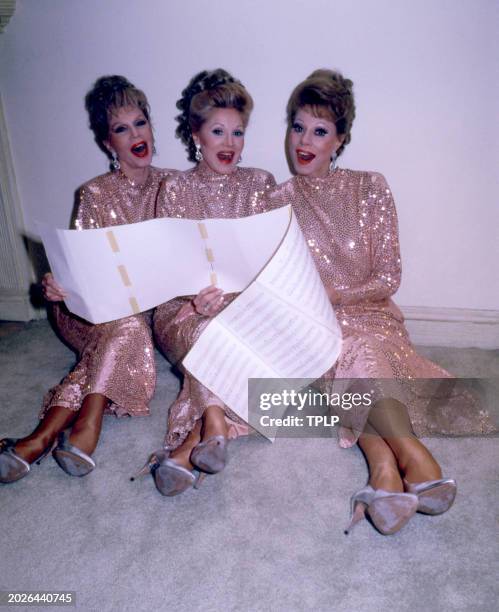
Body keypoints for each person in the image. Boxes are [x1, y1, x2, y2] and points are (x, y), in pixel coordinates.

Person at [267, 69, 493, 535]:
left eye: (320, 130)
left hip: (373, 316)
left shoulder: (370, 186)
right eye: (297, 126)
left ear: (340, 139)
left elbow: (389, 276)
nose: (305, 141)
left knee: (361, 350)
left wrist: (337, 295)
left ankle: (386, 469)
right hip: (315, 326)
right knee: (341, 349)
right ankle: (408, 458)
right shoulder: (276, 201)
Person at [0, 75, 171, 483]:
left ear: (151, 126)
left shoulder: (175, 186)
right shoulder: (94, 193)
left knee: (131, 329)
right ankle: (85, 430)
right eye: (120, 128)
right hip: (86, 312)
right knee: (125, 327)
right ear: (107, 143)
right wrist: (55, 285)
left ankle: (38, 439)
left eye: (140, 122)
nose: (135, 134)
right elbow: (78, 270)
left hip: (139, 319)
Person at [136, 69, 276, 496]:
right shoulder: (175, 187)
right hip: (183, 310)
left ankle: (186, 450)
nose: (230, 144)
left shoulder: (261, 183)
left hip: (245, 308)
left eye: (238, 132)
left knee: (234, 334)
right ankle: (215, 422)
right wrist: (195, 302)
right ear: (197, 134)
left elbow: (273, 260)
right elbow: (165, 271)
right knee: (207, 331)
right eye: (219, 131)